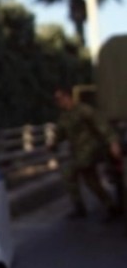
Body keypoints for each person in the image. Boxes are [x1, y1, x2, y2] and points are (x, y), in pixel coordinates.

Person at [50, 86, 123, 219]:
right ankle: (108, 207)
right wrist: (53, 144)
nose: (58, 102)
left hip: (90, 151)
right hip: (78, 153)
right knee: (90, 181)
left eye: (59, 98)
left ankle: (84, 208)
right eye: (56, 100)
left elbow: (101, 125)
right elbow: (60, 133)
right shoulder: (64, 117)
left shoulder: (84, 110)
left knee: (71, 173)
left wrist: (113, 142)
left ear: (67, 97)